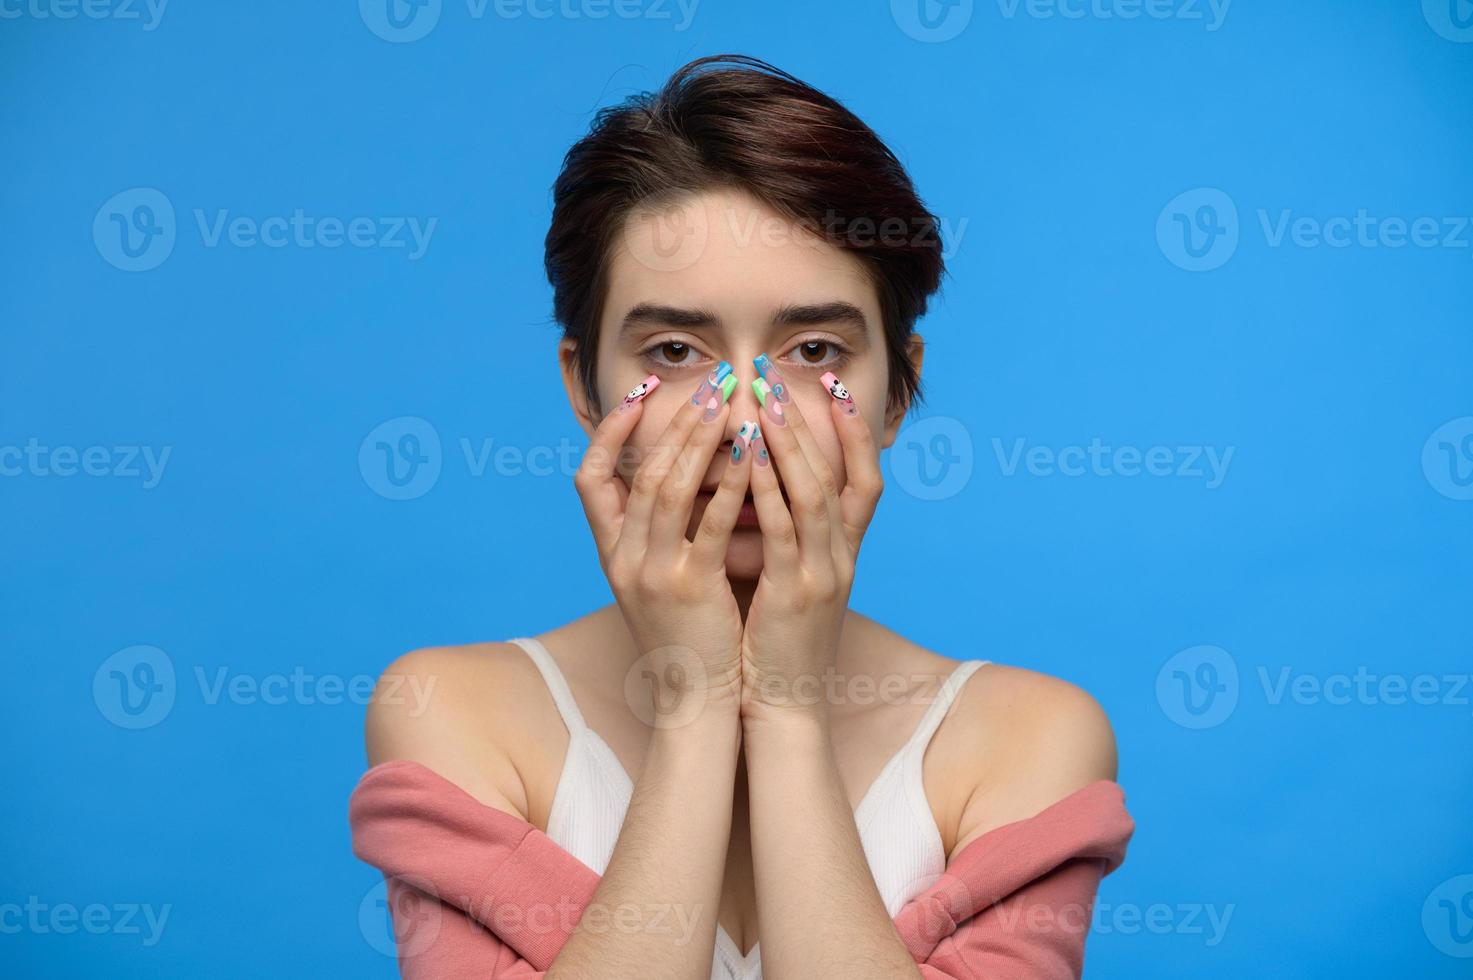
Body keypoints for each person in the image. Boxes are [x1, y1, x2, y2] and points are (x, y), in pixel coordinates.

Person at [355, 54, 1128, 979]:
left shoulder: (1029, 738)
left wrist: (790, 715)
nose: (746, 417)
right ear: (584, 387)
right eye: (676, 350)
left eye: (813, 349)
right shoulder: (454, 712)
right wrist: (693, 706)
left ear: (894, 394)